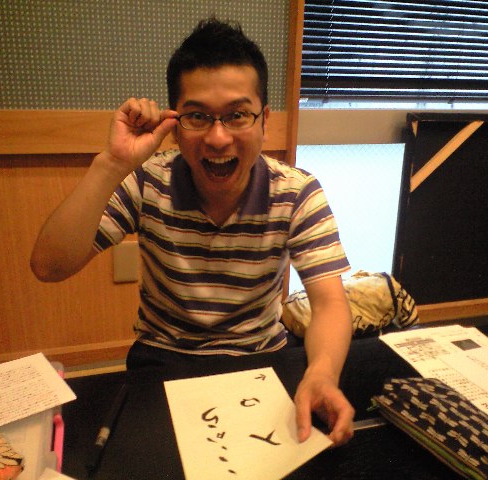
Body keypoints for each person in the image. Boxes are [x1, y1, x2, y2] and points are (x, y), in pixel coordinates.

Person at [31, 18, 354, 446]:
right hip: (162, 359)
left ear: (264, 121)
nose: (218, 138)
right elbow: (49, 266)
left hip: (261, 357)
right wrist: (111, 164)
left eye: (237, 115)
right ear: (175, 123)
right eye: (198, 116)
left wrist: (322, 373)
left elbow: (330, 302)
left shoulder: (297, 193)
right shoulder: (147, 181)